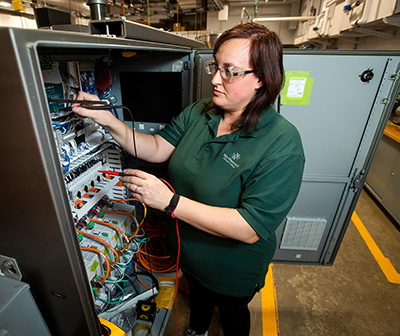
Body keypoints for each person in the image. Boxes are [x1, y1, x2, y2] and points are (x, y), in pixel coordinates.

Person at [72, 22, 305, 336]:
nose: (214, 79)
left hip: (231, 270)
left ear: (262, 79)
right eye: (215, 66)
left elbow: (250, 228)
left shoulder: (282, 143)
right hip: (187, 253)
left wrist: (170, 202)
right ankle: (197, 330)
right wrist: (107, 119)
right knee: (198, 302)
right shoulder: (201, 112)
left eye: (229, 71)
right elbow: (156, 148)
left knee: (233, 312)